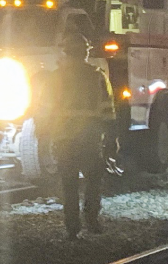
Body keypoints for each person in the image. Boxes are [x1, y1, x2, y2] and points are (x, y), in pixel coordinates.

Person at [41, 29, 115, 238]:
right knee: (93, 179)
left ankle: (72, 228)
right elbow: (107, 109)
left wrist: (44, 135)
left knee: (69, 183)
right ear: (86, 53)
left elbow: (44, 109)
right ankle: (91, 220)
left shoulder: (54, 78)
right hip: (89, 138)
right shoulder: (96, 76)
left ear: (65, 53)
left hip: (64, 138)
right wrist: (111, 139)